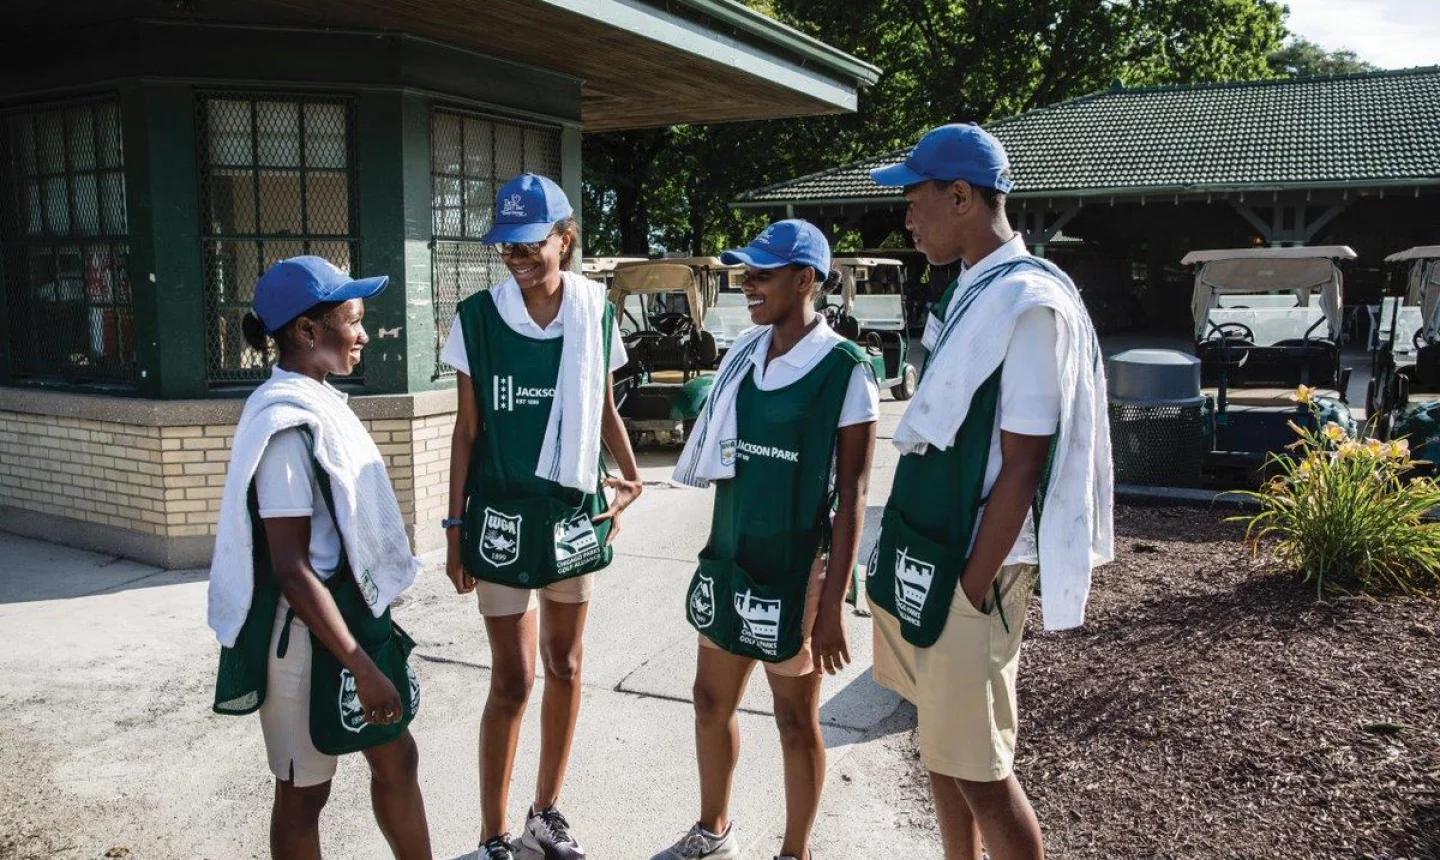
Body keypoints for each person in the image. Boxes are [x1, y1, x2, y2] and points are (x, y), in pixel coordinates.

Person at [864, 124, 1114, 860]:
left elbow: (1023, 466)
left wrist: (968, 592)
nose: (906, 217)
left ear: (962, 196)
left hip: (979, 566)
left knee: (982, 773)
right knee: (941, 748)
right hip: (940, 550)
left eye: (915, 198)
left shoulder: (1029, 304)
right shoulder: (974, 288)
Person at [655, 219, 880, 860]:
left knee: (792, 719)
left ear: (806, 279)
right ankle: (713, 831)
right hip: (731, 556)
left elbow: (856, 495)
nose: (747, 285)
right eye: (745, 273)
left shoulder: (845, 370)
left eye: (762, 274)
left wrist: (832, 603)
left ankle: (794, 852)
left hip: (794, 573)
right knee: (708, 701)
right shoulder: (744, 354)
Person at [441, 173, 644, 860]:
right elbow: (466, 431)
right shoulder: (476, 318)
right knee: (511, 677)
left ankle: (545, 814)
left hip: (569, 513)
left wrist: (633, 473)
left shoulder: (595, 311)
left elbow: (605, 407)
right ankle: (491, 834)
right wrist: (453, 529)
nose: (517, 257)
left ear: (566, 239)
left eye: (530, 244)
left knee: (566, 663)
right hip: (499, 515)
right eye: (507, 246)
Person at [208, 255, 432, 860]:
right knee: (305, 794)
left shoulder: (322, 402)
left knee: (397, 760)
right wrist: (361, 664)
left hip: (352, 620)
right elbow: (291, 567)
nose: (363, 334)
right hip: (306, 639)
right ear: (307, 331)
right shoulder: (285, 428)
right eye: (353, 320)